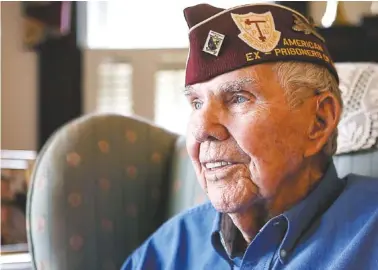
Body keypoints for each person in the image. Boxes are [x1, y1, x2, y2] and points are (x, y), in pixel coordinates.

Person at [122, 3, 378, 269]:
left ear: (319, 121)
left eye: (238, 98)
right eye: (196, 104)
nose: (201, 129)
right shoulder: (171, 248)